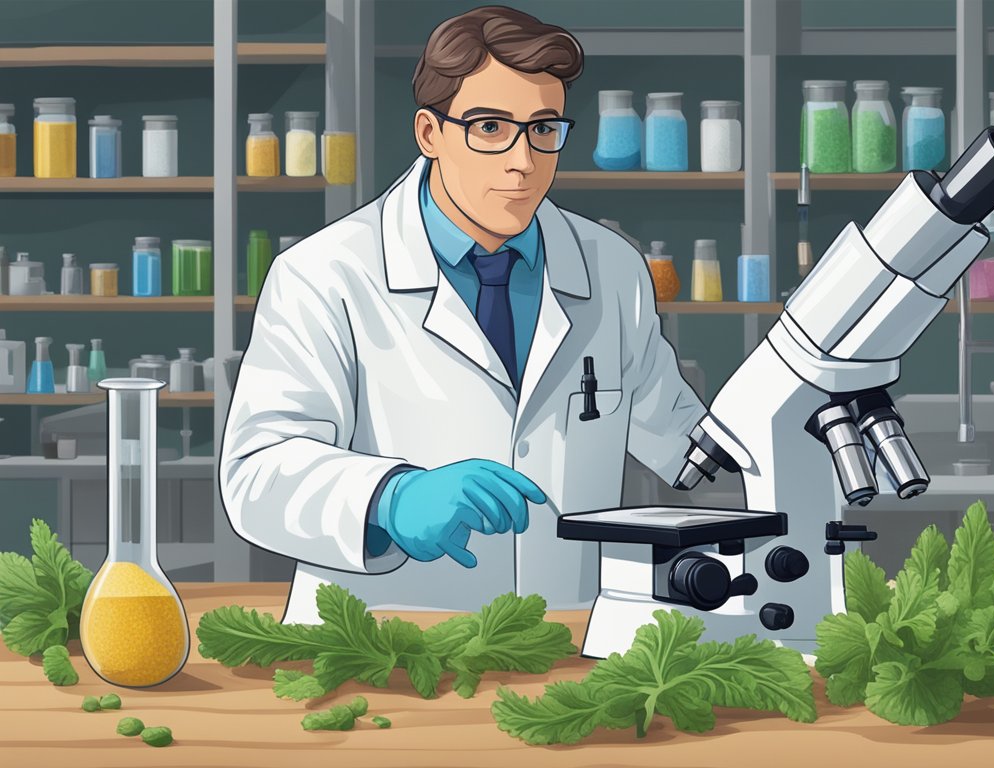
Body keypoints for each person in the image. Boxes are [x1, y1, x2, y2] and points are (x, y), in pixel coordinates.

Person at [220, 6, 704, 623]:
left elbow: (686, 447)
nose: (522, 161)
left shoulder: (611, 269)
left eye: (543, 128)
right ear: (430, 133)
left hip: (563, 639)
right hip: (383, 644)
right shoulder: (327, 273)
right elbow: (256, 474)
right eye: (489, 127)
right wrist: (390, 498)